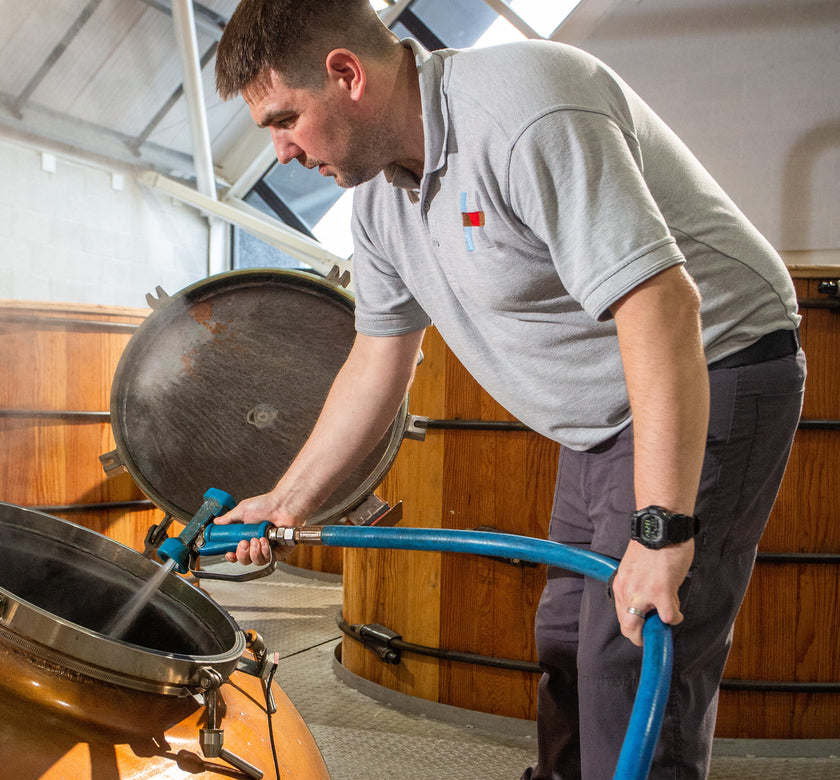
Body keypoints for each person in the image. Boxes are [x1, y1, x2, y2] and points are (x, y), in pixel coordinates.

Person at [212, 1, 805, 778]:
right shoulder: (381, 201)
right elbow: (378, 359)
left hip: (714, 364)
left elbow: (663, 306)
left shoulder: (525, 106)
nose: (282, 152)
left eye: (284, 119)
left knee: (628, 657)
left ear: (346, 74)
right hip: (601, 413)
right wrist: (286, 501)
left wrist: (663, 532)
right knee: (566, 640)